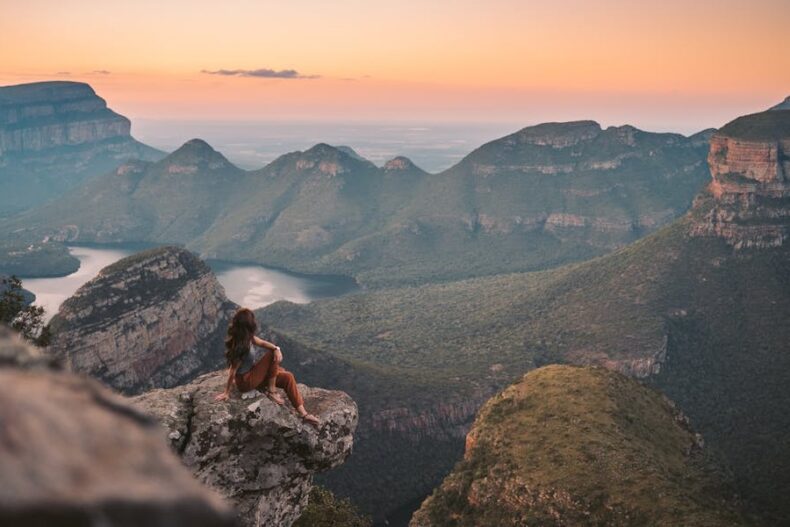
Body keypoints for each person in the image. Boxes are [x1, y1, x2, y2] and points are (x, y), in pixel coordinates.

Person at [214, 307, 319, 426]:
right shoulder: (240, 346)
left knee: (288, 377)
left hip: (253, 375)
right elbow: (232, 372)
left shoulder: (249, 338)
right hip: (245, 381)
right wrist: (226, 392)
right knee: (271, 356)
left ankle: (304, 414)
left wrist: (276, 348)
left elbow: (263, 343)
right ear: (248, 325)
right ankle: (272, 391)